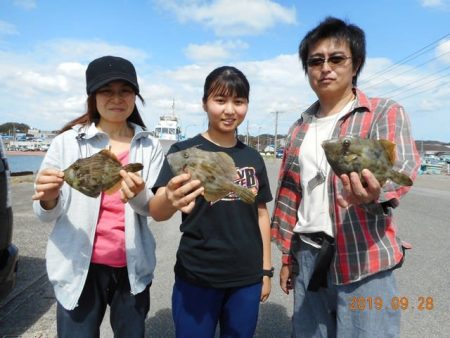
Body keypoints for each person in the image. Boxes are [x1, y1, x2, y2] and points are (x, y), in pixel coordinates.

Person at [271, 17, 420, 337]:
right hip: (307, 255)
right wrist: (287, 258)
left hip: (364, 258)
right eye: (315, 61)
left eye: (337, 58)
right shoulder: (299, 128)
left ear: (356, 65)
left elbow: (404, 165)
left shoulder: (382, 112)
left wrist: (376, 193)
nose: (325, 67)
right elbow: (292, 197)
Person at [32, 55, 165, 337]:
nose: (116, 98)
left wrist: (139, 195)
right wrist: (49, 198)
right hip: (77, 267)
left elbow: (152, 207)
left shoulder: (150, 145)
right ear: (92, 96)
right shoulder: (67, 142)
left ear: (135, 96)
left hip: (132, 268)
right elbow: (46, 212)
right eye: (106, 90)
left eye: (125, 91)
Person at [149, 66, 273, 338]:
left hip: (246, 277)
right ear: (204, 103)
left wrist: (266, 270)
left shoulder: (253, 158)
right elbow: (157, 211)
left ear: (247, 105)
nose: (230, 110)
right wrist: (170, 198)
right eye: (220, 100)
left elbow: (261, 215)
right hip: (197, 274)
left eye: (238, 102)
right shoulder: (182, 152)